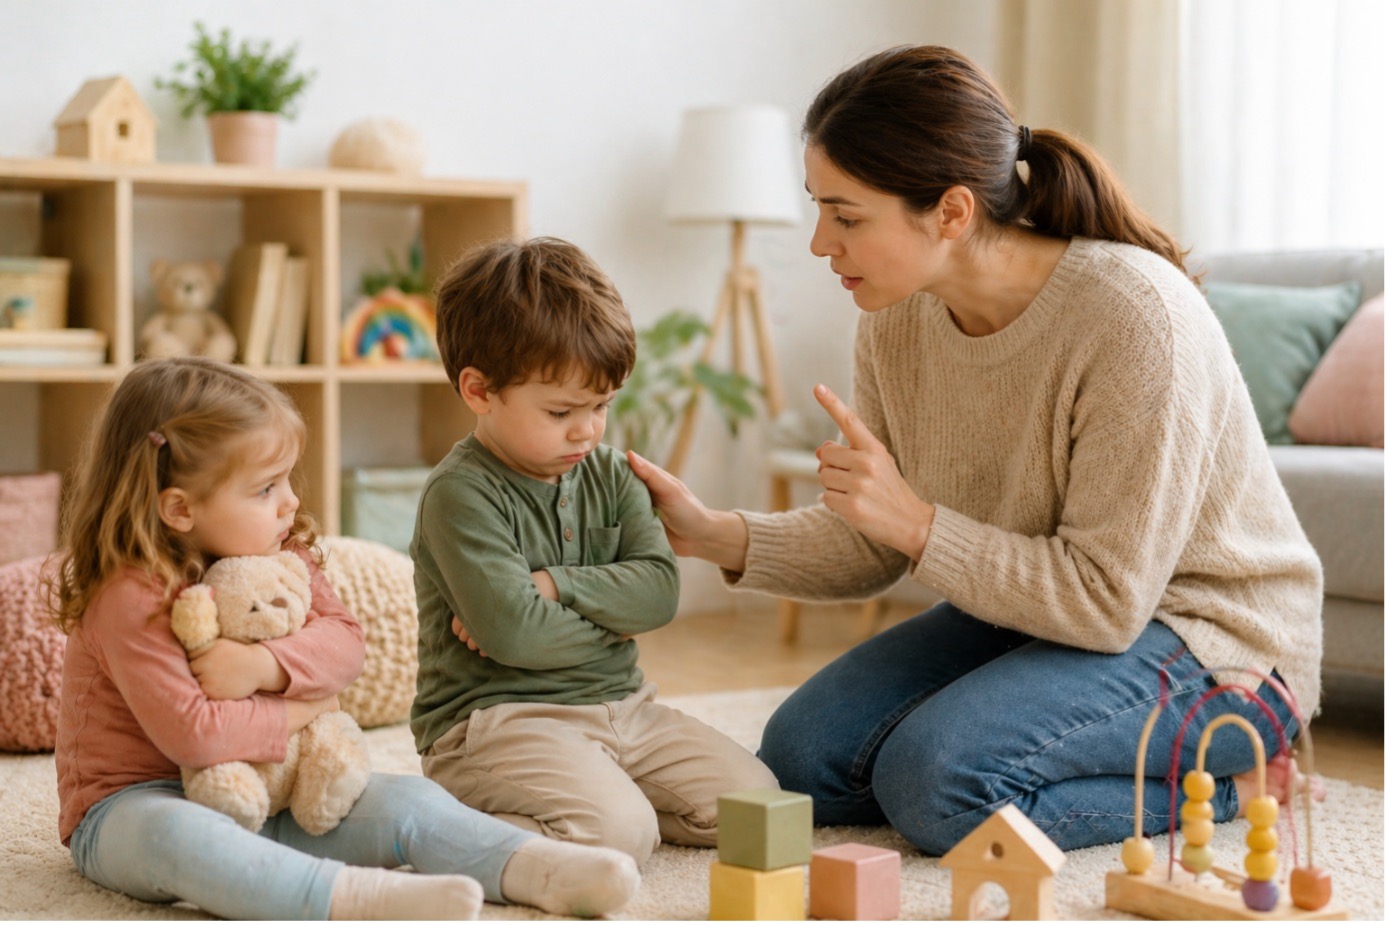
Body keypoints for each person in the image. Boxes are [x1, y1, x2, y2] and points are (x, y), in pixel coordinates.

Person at [626, 44, 1325, 855]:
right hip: (1037, 617)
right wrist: (713, 532)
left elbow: (1104, 600)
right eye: (819, 207)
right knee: (799, 761)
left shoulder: (1133, 319)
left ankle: (1232, 789)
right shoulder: (894, 320)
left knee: (936, 783)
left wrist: (921, 525)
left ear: (952, 212)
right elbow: (870, 539)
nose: (821, 242)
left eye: (846, 215)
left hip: (1214, 642)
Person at [49, 356, 639, 920]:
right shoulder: (129, 593)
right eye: (265, 489)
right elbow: (195, 737)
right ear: (178, 508)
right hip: (131, 805)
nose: (291, 502)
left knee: (405, 802)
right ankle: (350, 898)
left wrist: (264, 668)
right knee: (178, 838)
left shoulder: (278, 551)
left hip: (275, 793)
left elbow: (345, 644)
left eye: (286, 480)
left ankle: (536, 868)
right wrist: (308, 705)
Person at [412, 236, 778, 866]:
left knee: (761, 808)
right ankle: (446, 820)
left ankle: (594, 790)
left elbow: (660, 595)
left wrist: (552, 587)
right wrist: (609, 622)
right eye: (561, 410)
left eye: (602, 405)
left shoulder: (611, 475)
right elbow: (516, 638)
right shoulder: (459, 494)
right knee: (620, 837)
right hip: (498, 722)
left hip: (624, 710)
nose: (587, 428)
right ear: (479, 391)